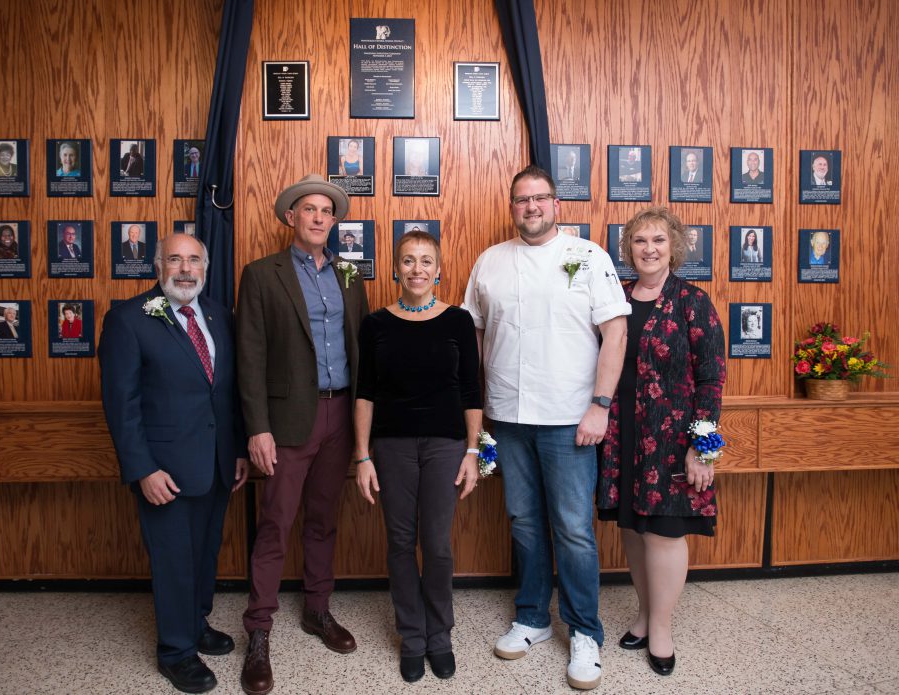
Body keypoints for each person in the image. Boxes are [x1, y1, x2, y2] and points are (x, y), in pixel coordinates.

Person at [463, 165, 630, 691]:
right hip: (508, 418)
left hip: (569, 419)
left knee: (575, 529)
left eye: (539, 198)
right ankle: (533, 617)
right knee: (524, 523)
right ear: (512, 207)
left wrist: (600, 404)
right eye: (521, 200)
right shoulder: (490, 262)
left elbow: (616, 332)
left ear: (556, 204)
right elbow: (473, 336)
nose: (530, 207)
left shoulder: (587, 256)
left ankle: (585, 632)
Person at [236, 174, 369, 695]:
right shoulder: (261, 275)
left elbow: (361, 351)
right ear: (290, 217)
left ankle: (318, 611)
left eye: (326, 211)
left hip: (341, 417)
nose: (318, 218)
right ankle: (259, 631)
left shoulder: (350, 276)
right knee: (275, 525)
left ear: (334, 222)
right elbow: (250, 358)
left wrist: (365, 429)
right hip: (289, 420)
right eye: (308, 209)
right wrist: (257, 429)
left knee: (323, 521)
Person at [99, 233, 248, 694]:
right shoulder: (128, 319)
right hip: (163, 468)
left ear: (205, 267)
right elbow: (120, 404)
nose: (185, 269)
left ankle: (196, 623)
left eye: (194, 261)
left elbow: (226, 393)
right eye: (175, 260)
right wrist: (142, 468)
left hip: (217, 462)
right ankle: (176, 651)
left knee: (204, 553)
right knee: (172, 560)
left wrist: (238, 449)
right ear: (157, 265)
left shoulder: (220, 316)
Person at [598, 206, 725, 677]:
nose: (648, 249)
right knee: (633, 529)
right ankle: (645, 615)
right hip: (622, 435)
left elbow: (712, 378)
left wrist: (702, 447)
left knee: (665, 533)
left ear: (674, 247)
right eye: (639, 241)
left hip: (673, 440)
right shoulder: (614, 298)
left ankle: (663, 628)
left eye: (658, 241)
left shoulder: (693, 301)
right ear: (628, 249)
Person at [353, 231, 481, 684]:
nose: (417, 269)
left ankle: (439, 637)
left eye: (426, 261)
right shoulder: (376, 325)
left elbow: (470, 391)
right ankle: (412, 637)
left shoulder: (459, 322)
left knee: (439, 545)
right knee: (401, 543)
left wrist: (471, 450)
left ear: (439, 269)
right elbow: (365, 392)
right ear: (395, 268)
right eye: (408, 261)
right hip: (391, 446)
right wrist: (362, 456)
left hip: (446, 445)